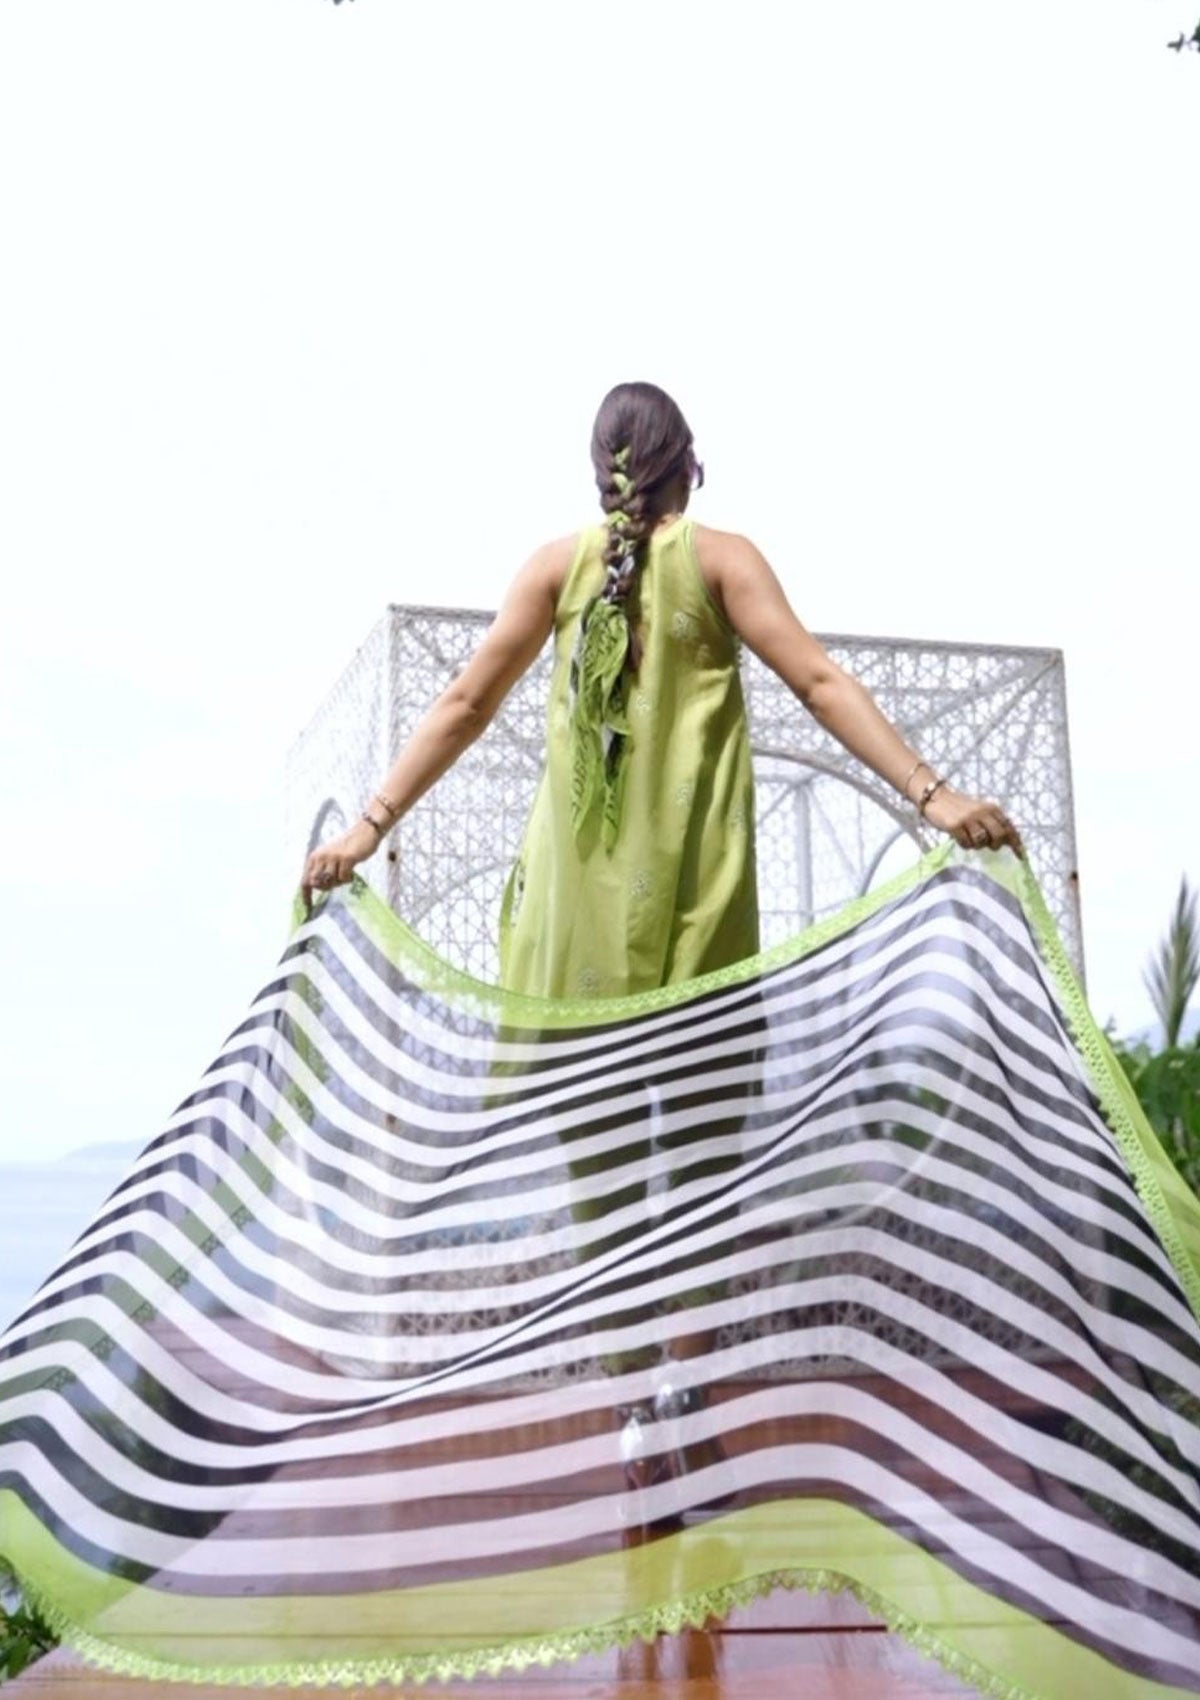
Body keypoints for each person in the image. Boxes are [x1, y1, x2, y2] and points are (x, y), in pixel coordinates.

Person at [300, 380, 1023, 941]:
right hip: (697, 894)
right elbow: (819, 683)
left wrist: (369, 829)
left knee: (577, 1092)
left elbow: (465, 706)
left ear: (601, 472)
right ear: (688, 464)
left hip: (569, 903)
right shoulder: (724, 560)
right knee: (703, 1089)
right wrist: (934, 796)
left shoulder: (553, 569)